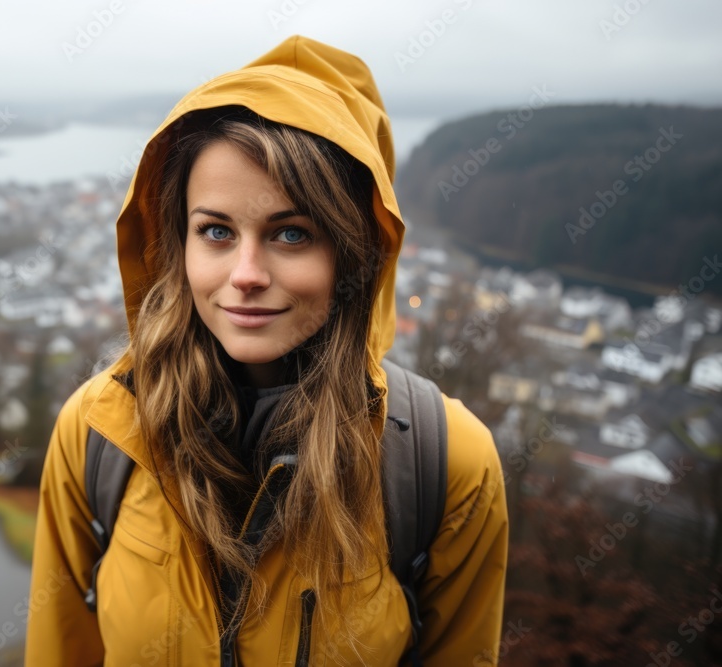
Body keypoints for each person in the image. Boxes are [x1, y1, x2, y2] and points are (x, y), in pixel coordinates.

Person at [25, 35, 508, 666]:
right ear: (179, 243)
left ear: (354, 254)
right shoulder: (100, 435)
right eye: (217, 231)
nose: (246, 273)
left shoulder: (441, 465)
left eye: (290, 233)